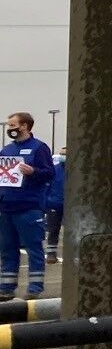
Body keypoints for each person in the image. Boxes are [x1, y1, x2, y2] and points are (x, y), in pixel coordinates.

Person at [0, 113, 56, 302]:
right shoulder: (7, 150)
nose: (10, 129)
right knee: (7, 248)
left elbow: (49, 173)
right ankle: (6, 288)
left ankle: (35, 288)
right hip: (7, 207)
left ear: (24, 126)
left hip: (29, 207)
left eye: (12, 125)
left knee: (33, 248)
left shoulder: (38, 148)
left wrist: (33, 172)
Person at [42, 148, 65, 268]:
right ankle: (51, 253)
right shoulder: (54, 170)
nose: (62, 156)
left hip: (71, 206)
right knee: (53, 229)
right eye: (61, 154)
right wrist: (46, 203)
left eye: (64, 154)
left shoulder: (77, 171)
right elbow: (46, 187)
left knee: (72, 231)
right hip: (54, 204)